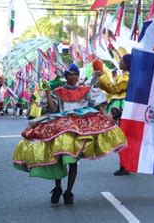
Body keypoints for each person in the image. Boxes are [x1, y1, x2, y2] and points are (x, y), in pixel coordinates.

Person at [12, 64, 127, 205]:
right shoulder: (57, 91)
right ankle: (58, 188)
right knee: (59, 159)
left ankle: (69, 191)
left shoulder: (86, 90)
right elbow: (53, 110)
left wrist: (107, 116)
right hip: (61, 127)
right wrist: (48, 92)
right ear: (66, 77)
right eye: (71, 74)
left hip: (79, 128)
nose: (74, 77)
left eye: (76, 74)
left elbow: (99, 106)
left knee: (73, 161)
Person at [95, 55, 131, 176]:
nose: (119, 62)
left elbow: (114, 89)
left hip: (122, 108)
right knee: (123, 136)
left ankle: (125, 165)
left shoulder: (126, 76)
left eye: (121, 60)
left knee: (124, 136)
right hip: (122, 108)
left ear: (126, 63)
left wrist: (102, 78)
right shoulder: (124, 75)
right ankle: (125, 164)